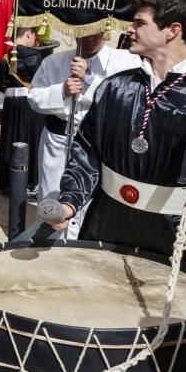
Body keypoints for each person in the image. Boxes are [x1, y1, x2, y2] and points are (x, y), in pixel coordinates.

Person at [48, 0, 186, 293]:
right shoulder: (115, 88)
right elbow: (87, 152)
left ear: (172, 31)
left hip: (176, 237)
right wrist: (70, 200)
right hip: (107, 223)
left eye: (140, 22)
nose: (130, 29)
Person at [29, 32, 140, 239]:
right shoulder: (53, 61)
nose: (90, 36)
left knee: (89, 198)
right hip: (57, 140)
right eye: (84, 31)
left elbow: (127, 98)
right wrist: (61, 90)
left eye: (96, 31)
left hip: (95, 142)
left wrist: (90, 78)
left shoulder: (125, 60)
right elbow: (34, 98)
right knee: (53, 196)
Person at [0, 25, 52, 194]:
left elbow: (1, 86)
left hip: (12, 104)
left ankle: (8, 183)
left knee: (9, 141)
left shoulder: (5, 58)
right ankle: (30, 183)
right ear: (29, 33)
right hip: (33, 105)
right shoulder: (40, 58)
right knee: (32, 141)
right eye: (34, 36)